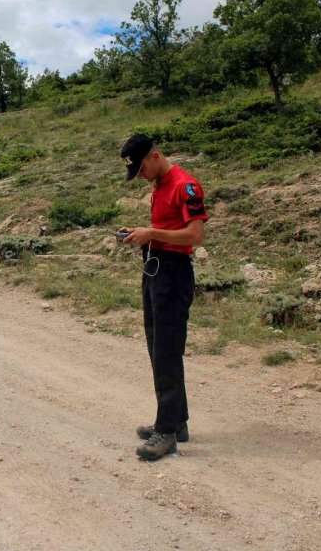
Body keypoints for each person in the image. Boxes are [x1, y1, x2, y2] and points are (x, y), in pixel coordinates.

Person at [117, 134, 208, 461]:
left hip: (173, 273)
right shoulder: (159, 186)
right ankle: (177, 421)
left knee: (167, 351)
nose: (140, 176)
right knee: (158, 347)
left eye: (141, 169)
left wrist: (152, 233)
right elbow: (165, 228)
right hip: (155, 269)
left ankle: (166, 431)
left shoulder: (186, 186)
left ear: (154, 156)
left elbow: (195, 235)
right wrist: (140, 235)